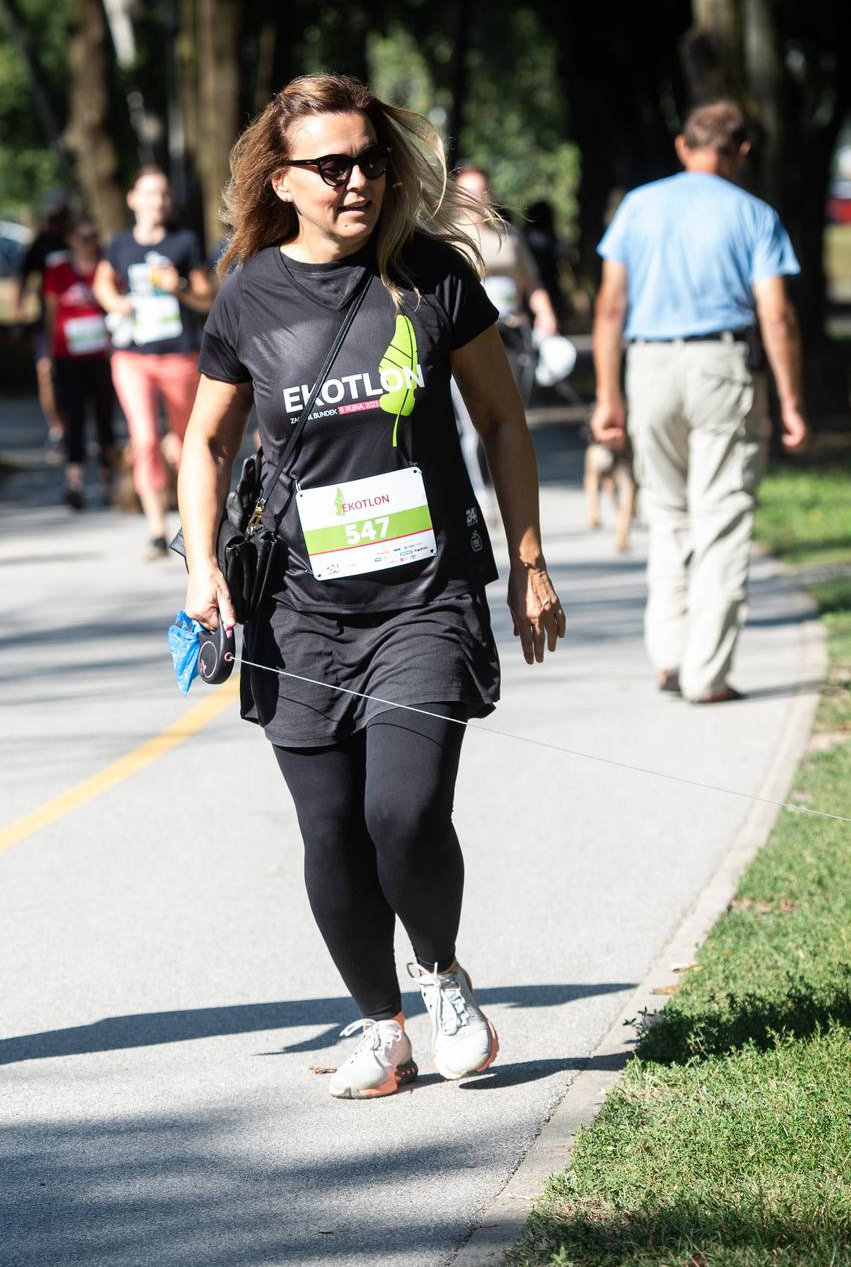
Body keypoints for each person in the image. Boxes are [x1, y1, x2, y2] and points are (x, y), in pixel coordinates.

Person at [178, 75, 565, 1100]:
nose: (357, 180)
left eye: (370, 161)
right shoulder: (251, 295)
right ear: (283, 179)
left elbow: (505, 421)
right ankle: (379, 1024)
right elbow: (204, 440)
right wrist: (199, 564)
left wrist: (528, 561)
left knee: (402, 810)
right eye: (332, 165)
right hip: (296, 611)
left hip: (424, 599)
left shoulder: (430, 277)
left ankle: (439, 973)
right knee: (330, 831)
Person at [589, 101, 809, 705]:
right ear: (740, 152)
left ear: (686, 148)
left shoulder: (638, 206)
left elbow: (609, 308)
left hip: (649, 366)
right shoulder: (756, 215)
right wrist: (790, 401)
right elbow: (776, 314)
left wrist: (607, 396)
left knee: (668, 513)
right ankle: (706, 673)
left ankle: (668, 656)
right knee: (723, 516)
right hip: (721, 367)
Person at [94, 167, 215, 557]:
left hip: (178, 356)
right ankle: (156, 532)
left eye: (163, 194)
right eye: (149, 194)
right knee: (144, 439)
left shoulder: (184, 242)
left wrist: (177, 287)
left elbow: (206, 298)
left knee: (185, 443)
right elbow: (102, 283)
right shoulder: (120, 245)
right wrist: (116, 303)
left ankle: (194, 525)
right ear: (133, 199)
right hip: (132, 358)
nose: (157, 201)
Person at [449, 164, 560, 521]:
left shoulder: (508, 235)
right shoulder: (445, 237)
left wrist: (545, 314)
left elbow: (531, 281)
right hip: (465, 340)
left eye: (482, 189)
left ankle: (511, 493)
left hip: (512, 336)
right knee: (472, 424)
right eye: (468, 190)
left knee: (510, 417)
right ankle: (480, 493)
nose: (476, 198)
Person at [42, 220, 118, 508]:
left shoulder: (105, 268)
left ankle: (108, 481)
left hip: (101, 357)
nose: (88, 242)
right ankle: (74, 484)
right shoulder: (58, 271)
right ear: (71, 240)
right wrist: (48, 352)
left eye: (93, 236)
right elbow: (51, 311)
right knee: (74, 421)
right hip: (68, 357)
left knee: (105, 420)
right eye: (82, 237)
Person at [15, 197, 73, 458]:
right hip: (49, 321)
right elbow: (23, 278)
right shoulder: (41, 245)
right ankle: (58, 428)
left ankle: (77, 428)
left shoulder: (79, 240)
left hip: (79, 321)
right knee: (46, 374)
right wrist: (17, 312)